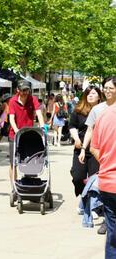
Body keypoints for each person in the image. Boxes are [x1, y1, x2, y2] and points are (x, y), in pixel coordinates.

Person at [79, 77, 116, 235]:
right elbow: (90, 131)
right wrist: (83, 149)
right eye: (105, 88)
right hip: (103, 155)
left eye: (111, 88)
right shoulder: (98, 110)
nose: (107, 91)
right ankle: (107, 220)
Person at [90, 101, 116, 258]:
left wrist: (108, 162)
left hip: (107, 181)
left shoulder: (103, 115)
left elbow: (94, 147)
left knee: (113, 235)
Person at [68, 86, 101, 205]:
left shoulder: (103, 110)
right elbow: (71, 126)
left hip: (97, 149)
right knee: (77, 177)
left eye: (93, 93)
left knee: (94, 178)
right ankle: (83, 196)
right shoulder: (78, 111)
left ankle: (91, 204)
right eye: (88, 94)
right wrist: (76, 138)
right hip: (80, 147)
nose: (90, 96)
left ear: (99, 96)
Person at [8, 81, 45, 183]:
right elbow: (11, 119)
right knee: (13, 162)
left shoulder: (33, 99)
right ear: (18, 90)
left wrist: (42, 126)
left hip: (28, 135)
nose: (25, 92)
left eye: (27, 90)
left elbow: (39, 113)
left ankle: (28, 182)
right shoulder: (12, 101)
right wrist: (17, 131)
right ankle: (13, 185)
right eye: (23, 90)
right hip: (15, 135)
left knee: (28, 159)